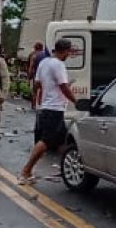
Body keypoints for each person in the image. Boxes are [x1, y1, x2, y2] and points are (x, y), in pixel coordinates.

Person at [19, 39, 76, 184]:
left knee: (63, 142)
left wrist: (37, 100)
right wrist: (76, 101)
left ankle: (66, 169)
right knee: (46, 141)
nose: (69, 54)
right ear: (65, 51)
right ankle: (26, 171)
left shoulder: (44, 63)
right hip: (54, 108)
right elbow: (63, 86)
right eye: (69, 51)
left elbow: (37, 84)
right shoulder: (59, 65)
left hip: (46, 106)